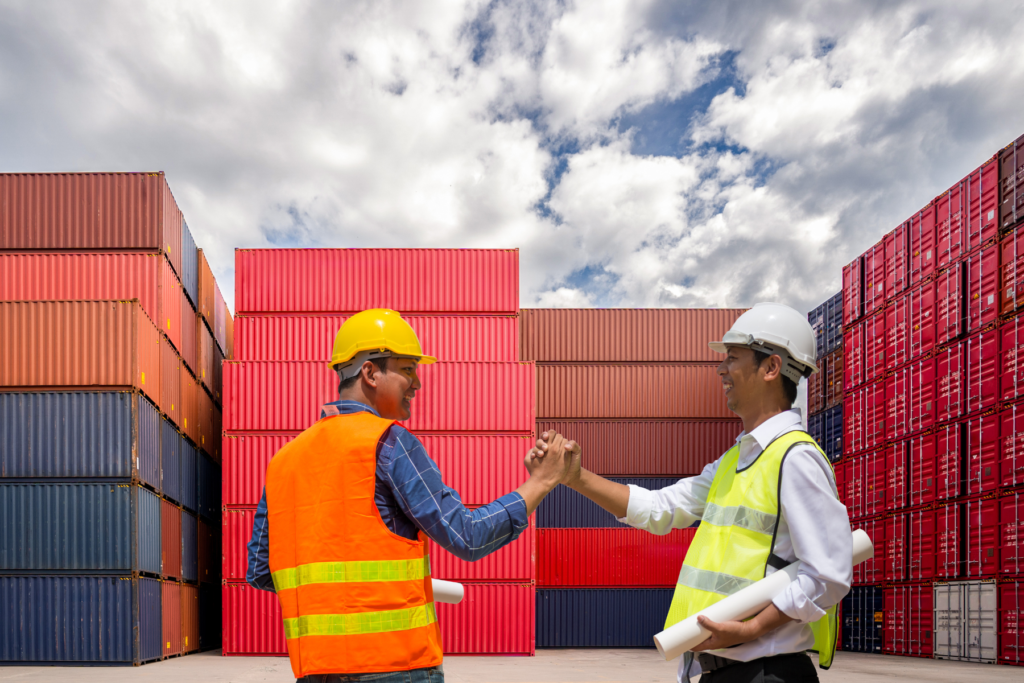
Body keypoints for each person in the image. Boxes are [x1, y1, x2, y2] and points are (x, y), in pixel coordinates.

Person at [247, 308, 577, 682]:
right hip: (396, 667)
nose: (417, 383)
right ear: (370, 373)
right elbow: (466, 536)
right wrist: (540, 483)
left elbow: (260, 571)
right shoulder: (387, 442)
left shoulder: (282, 462)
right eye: (407, 369)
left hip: (314, 670)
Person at [529, 302, 852, 683]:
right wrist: (575, 477)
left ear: (771, 367)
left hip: (767, 672)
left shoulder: (795, 459)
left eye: (732, 357)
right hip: (724, 671)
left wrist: (751, 630)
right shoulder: (733, 462)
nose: (721, 369)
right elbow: (658, 509)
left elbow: (828, 576)